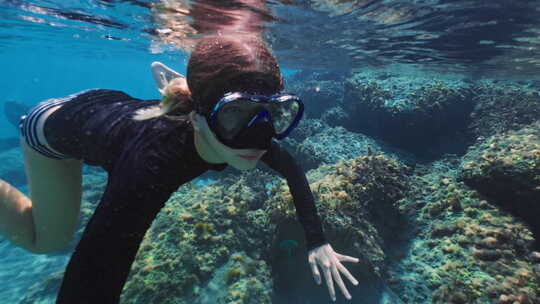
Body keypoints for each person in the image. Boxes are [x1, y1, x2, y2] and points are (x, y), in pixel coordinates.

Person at [0, 3, 360, 304]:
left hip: (110, 109)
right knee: (47, 241)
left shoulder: (246, 132)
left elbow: (293, 171)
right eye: (236, 113)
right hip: (52, 128)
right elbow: (91, 276)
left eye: (273, 114)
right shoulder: (151, 166)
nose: (262, 137)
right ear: (197, 115)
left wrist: (318, 241)